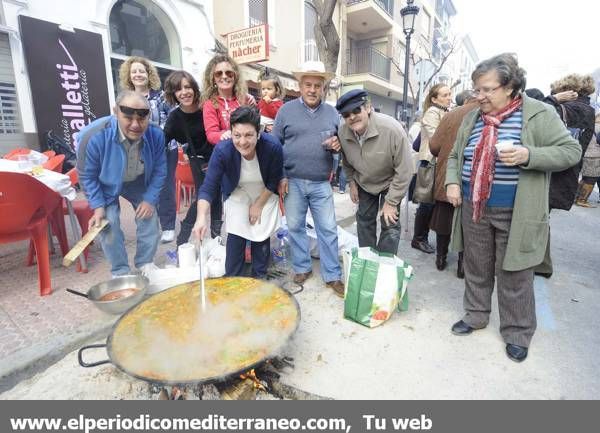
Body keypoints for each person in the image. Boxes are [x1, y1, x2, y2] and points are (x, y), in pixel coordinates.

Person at [445, 53, 581, 362]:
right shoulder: (472, 117)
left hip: (517, 210)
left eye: (486, 89)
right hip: (474, 205)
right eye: (476, 89)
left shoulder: (539, 114)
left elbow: (570, 151)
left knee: (515, 272)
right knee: (476, 265)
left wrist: (528, 155)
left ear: (510, 87)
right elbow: (455, 155)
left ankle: (517, 332)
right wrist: (453, 182)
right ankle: (476, 315)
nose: (478, 96)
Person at [272, 61, 345, 297]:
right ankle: (303, 267)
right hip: (292, 180)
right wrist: (280, 176)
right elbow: (274, 146)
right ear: (300, 86)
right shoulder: (285, 111)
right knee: (295, 226)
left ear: (323, 88)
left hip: (321, 182)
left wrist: (337, 145)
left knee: (328, 229)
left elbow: (342, 144)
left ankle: (332, 275)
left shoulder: (333, 113)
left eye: (317, 85)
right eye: (308, 85)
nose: (312, 90)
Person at [77, 90, 167, 277]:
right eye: (128, 117)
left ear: (148, 116)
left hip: (138, 180)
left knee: (149, 216)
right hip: (106, 183)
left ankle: (145, 263)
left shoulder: (156, 134)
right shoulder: (92, 136)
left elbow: (160, 170)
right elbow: (87, 175)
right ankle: (120, 271)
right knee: (108, 222)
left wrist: (150, 199)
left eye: (141, 119)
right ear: (115, 111)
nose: (135, 125)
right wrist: (98, 205)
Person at [192, 106, 283, 278]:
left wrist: (258, 205)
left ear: (259, 132)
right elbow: (209, 186)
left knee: (260, 232)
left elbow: (273, 181)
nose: (242, 142)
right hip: (237, 191)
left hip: (264, 191)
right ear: (231, 132)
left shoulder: (272, 147)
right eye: (237, 135)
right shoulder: (222, 151)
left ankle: (260, 278)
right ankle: (234, 278)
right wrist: (201, 217)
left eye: (249, 135)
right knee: (236, 233)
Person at [335, 89, 413, 254]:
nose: (352, 117)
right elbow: (347, 161)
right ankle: (368, 258)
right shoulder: (343, 132)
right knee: (364, 220)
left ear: (368, 108)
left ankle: (384, 263)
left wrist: (391, 202)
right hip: (364, 182)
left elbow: (405, 170)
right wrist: (352, 182)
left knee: (389, 223)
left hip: (390, 182)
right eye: (346, 114)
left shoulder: (392, 130)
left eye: (357, 110)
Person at [118, 56, 176, 243]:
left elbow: (172, 120)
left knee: (165, 186)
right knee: (144, 188)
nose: (138, 74)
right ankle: (150, 225)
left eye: (141, 71)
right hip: (138, 152)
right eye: (134, 71)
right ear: (129, 75)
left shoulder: (160, 97)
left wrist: (156, 134)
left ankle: (168, 226)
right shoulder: (126, 98)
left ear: (148, 74)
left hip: (165, 148)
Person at [162, 70, 221, 246]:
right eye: (178, 90)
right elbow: (162, 142)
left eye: (187, 87)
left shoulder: (208, 106)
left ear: (194, 88)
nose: (184, 92)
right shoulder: (175, 117)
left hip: (219, 157)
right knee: (204, 197)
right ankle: (183, 238)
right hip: (199, 161)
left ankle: (217, 240)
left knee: (217, 198)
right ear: (173, 94)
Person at [429, 90, 478, 277]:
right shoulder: (487, 112)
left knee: (444, 218)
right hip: (475, 179)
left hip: (449, 175)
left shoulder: (452, 114)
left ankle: (440, 257)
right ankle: (462, 265)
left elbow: (434, 146)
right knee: (471, 222)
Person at [411, 83, 452, 254]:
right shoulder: (432, 113)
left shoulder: (444, 112)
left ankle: (422, 237)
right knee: (426, 203)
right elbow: (437, 137)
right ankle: (418, 238)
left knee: (431, 203)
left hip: (437, 162)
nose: (449, 97)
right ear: (434, 99)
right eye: (444, 95)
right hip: (430, 162)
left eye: (449, 94)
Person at [201, 54, 256, 146]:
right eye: (218, 73)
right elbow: (211, 134)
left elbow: (254, 125)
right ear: (213, 79)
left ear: (235, 77)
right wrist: (224, 135)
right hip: (228, 152)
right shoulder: (210, 104)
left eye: (229, 73)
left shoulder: (245, 99)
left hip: (248, 148)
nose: (224, 76)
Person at [575, 113, 600, 207]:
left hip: (586, 154)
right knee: (591, 179)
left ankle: (577, 197)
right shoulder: (599, 128)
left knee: (585, 178)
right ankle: (582, 200)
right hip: (595, 156)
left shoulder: (590, 126)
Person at [257, 68, 284, 132]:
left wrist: (269, 103)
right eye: (263, 89)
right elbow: (257, 111)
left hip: (270, 129)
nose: (265, 91)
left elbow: (277, 115)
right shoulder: (262, 101)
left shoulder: (278, 102)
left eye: (269, 89)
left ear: (277, 90)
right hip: (260, 127)